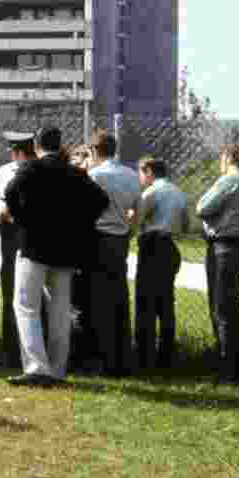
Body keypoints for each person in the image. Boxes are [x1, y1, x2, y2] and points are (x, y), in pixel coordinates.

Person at [3, 126, 109, 387]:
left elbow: (10, 195)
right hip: (65, 250)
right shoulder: (75, 173)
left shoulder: (29, 170)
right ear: (60, 144)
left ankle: (36, 366)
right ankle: (58, 369)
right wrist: (78, 225)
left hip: (33, 247)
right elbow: (100, 201)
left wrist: (23, 219)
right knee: (60, 311)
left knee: (26, 306)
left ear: (37, 146)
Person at [84, 130, 142, 377]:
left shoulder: (93, 175)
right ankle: (122, 358)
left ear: (95, 151)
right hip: (120, 240)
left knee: (98, 301)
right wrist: (129, 231)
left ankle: (103, 360)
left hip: (97, 238)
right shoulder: (131, 175)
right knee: (119, 298)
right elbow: (136, 211)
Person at [197, 144, 239, 383]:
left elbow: (202, 207)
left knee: (221, 308)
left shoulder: (229, 180)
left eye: (223, 157)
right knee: (232, 307)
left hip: (223, 247)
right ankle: (238, 364)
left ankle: (228, 369)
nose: (220, 162)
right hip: (236, 247)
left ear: (231, 158)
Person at [133, 156, 188, 370]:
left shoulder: (151, 192)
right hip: (170, 248)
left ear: (148, 172)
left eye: (141, 174)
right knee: (165, 303)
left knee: (145, 303)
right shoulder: (180, 193)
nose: (141, 179)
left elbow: (137, 220)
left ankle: (144, 356)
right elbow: (185, 225)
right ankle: (166, 357)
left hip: (152, 246)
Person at [0, 131, 37, 366]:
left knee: (29, 293)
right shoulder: (3, 172)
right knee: (12, 288)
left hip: (25, 232)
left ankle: (30, 349)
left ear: (17, 151)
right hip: (10, 236)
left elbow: (3, 207)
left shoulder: (38, 171)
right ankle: (11, 349)